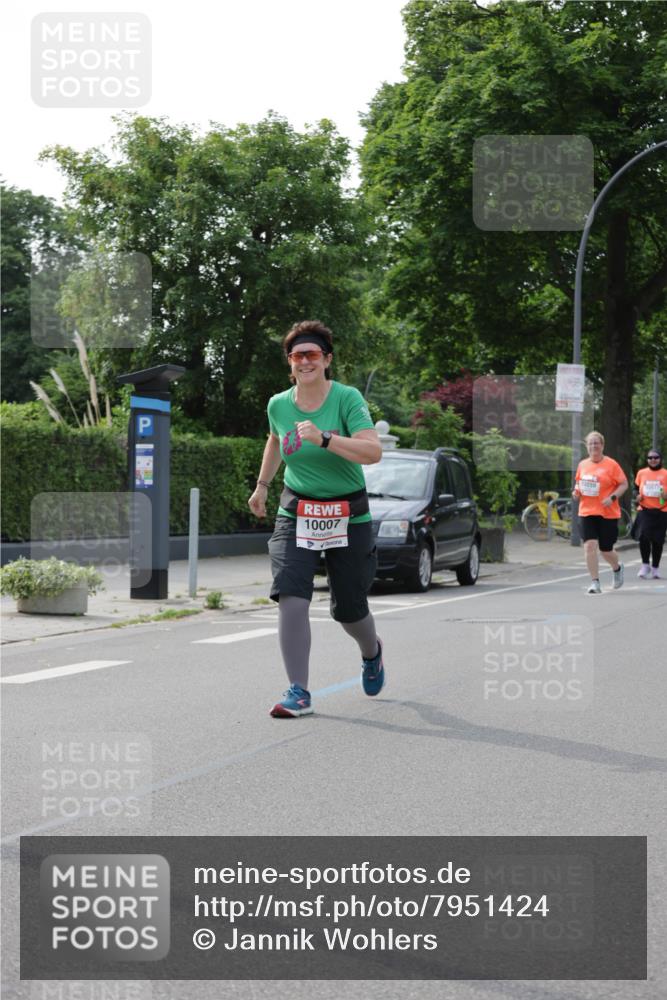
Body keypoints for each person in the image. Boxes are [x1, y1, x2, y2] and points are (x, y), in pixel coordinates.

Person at [247, 320, 385, 717]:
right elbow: (275, 439)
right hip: (297, 509)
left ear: (326, 360)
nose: (304, 362)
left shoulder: (346, 398)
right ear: (289, 364)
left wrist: (324, 437)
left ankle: (372, 652)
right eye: (296, 356)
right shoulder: (279, 404)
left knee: (349, 609)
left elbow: (372, 452)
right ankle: (298, 691)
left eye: (312, 355)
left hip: (347, 511)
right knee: (291, 596)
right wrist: (262, 486)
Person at [572, 431, 628, 594]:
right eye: (591, 443)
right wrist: (576, 493)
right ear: (587, 447)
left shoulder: (611, 464)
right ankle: (595, 582)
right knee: (589, 545)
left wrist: (612, 497)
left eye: (597, 443)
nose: (594, 446)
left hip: (607, 512)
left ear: (602, 446)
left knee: (606, 549)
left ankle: (617, 568)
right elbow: (578, 484)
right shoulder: (583, 465)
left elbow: (623, 484)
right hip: (587, 511)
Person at [634, 448, 667, 579]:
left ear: (660, 459)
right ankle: (645, 564)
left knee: (658, 541)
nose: (653, 460)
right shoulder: (641, 473)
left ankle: (655, 568)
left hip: (662, 510)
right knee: (643, 536)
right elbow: (635, 489)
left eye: (656, 457)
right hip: (645, 509)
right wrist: (637, 496)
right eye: (650, 458)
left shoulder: (665, 473)